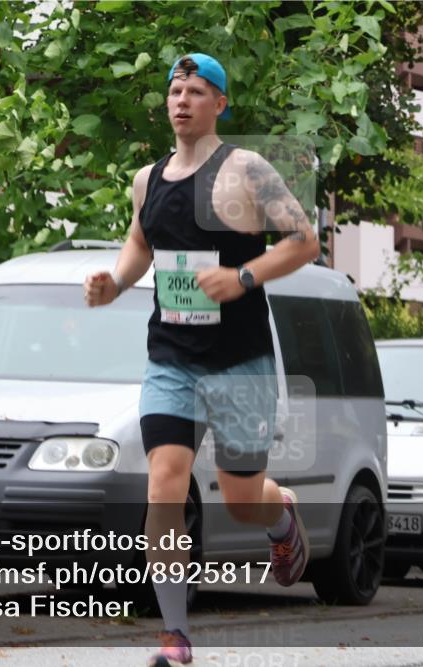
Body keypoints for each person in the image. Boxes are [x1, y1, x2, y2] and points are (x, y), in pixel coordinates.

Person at [84, 53, 320, 667]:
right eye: (175, 91)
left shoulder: (247, 169)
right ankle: (175, 635)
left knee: (241, 500)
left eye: (195, 91)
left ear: (220, 103)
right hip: (171, 358)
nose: (181, 100)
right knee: (165, 485)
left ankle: (279, 515)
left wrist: (242, 275)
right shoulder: (147, 179)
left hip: (239, 361)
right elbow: (141, 241)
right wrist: (115, 282)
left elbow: (304, 240)